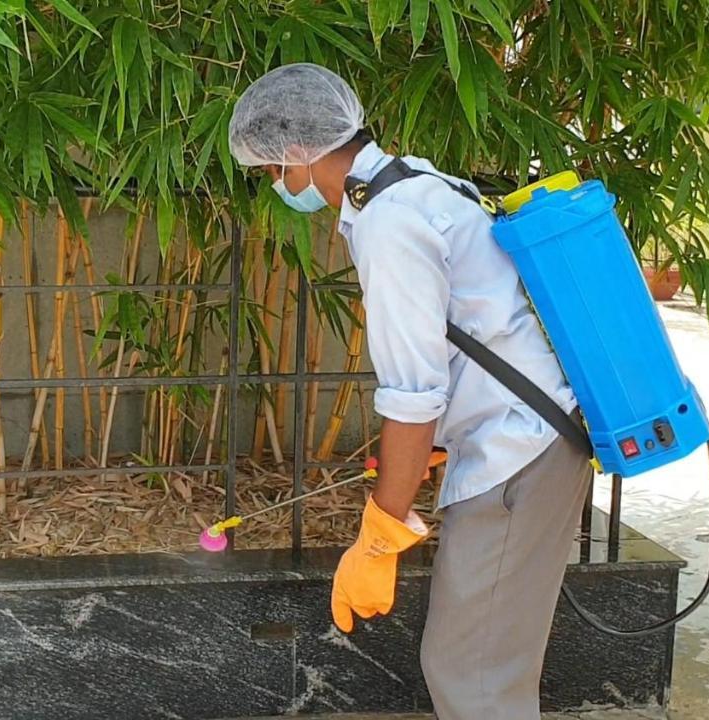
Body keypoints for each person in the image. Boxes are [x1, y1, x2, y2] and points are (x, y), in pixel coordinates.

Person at [227, 62, 594, 719]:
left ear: (298, 154)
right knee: (478, 666)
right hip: (527, 440)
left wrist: (379, 534)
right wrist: (424, 454)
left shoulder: (388, 223)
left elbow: (413, 394)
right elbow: (478, 331)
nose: (275, 185)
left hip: (518, 451)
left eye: (268, 170)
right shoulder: (419, 180)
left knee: (473, 674)